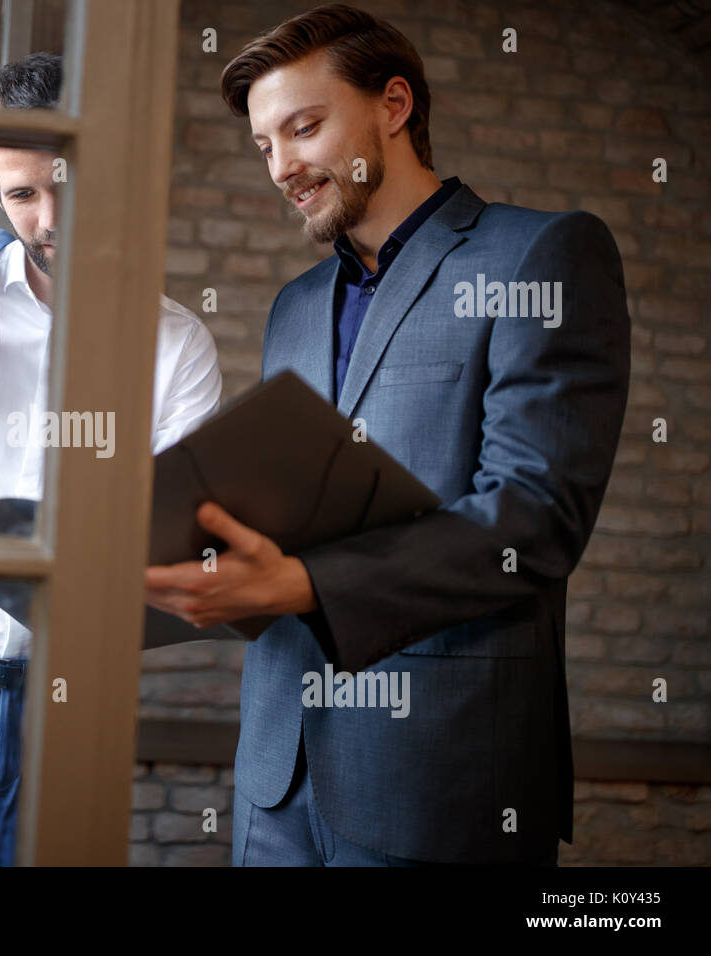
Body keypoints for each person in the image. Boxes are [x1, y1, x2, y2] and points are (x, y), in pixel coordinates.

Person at [145, 4, 629, 866]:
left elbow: (533, 519)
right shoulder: (294, 306)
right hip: (276, 778)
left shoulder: (541, 257)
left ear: (394, 106)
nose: (283, 166)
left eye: (305, 127)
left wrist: (299, 583)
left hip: (442, 778)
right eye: (265, 145)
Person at [0, 52, 223, 866]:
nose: (51, 216)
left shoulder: (176, 347)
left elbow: (180, 535)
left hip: (74, 697)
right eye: (23, 194)